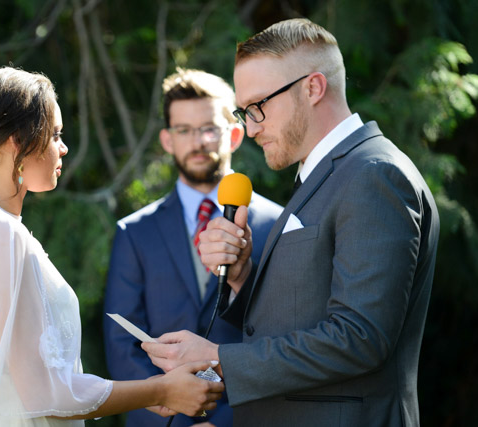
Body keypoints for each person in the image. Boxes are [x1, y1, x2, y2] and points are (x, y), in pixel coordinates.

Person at [142, 18, 440, 427]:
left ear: (313, 88)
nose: (249, 128)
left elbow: (359, 339)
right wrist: (242, 275)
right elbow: (300, 316)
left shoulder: (374, 175)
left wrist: (217, 357)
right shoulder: (325, 174)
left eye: (259, 106)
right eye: (244, 112)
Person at [0, 66, 224, 426]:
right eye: (55, 134)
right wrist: (161, 390)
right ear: (18, 142)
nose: (64, 147)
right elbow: (46, 394)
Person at [103, 68, 282, 427]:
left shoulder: (278, 224)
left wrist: (226, 421)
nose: (197, 141)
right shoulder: (135, 232)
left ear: (233, 135)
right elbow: (122, 343)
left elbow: (283, 335)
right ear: (167, 140)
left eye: (208, 128)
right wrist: (174, 409)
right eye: (183, 130)